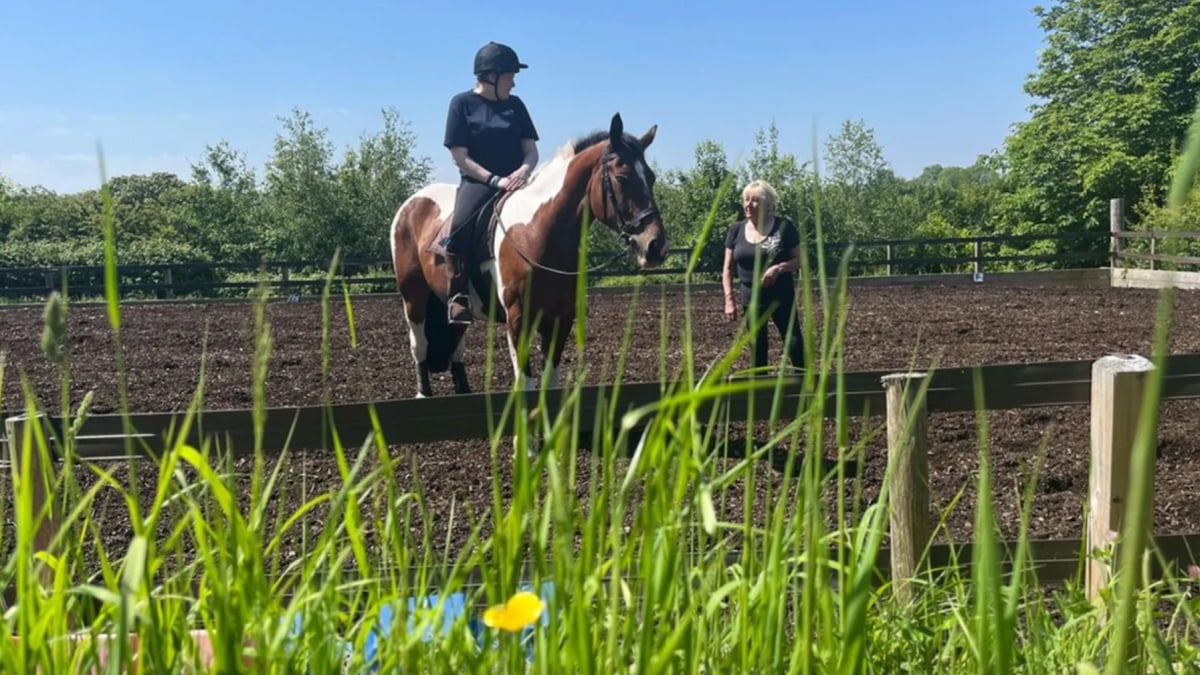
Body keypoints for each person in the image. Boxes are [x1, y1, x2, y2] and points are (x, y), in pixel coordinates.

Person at [441, 41, 540, 324]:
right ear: (492, 76)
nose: (514, 82)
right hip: (480, 183)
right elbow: (459, 156)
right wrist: (494, 179)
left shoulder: (516, 105)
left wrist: (522, 171)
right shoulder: (461, 104)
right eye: (510, 75)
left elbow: (531, 150)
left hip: (518, 181)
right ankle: (458, 295)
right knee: (459, 225)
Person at [722, 179, 805, 371]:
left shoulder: (783, 227)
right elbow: (727, 268)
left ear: (767, 204)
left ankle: (806, 383)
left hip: (781, 297)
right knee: (757, 345)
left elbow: (801, 261)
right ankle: (760, 392)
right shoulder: (736, 230)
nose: (748, 205)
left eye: (754, 200)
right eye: (746, 199)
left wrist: (779, 267)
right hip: (750, 298)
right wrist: (729, 300)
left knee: (793, 340)